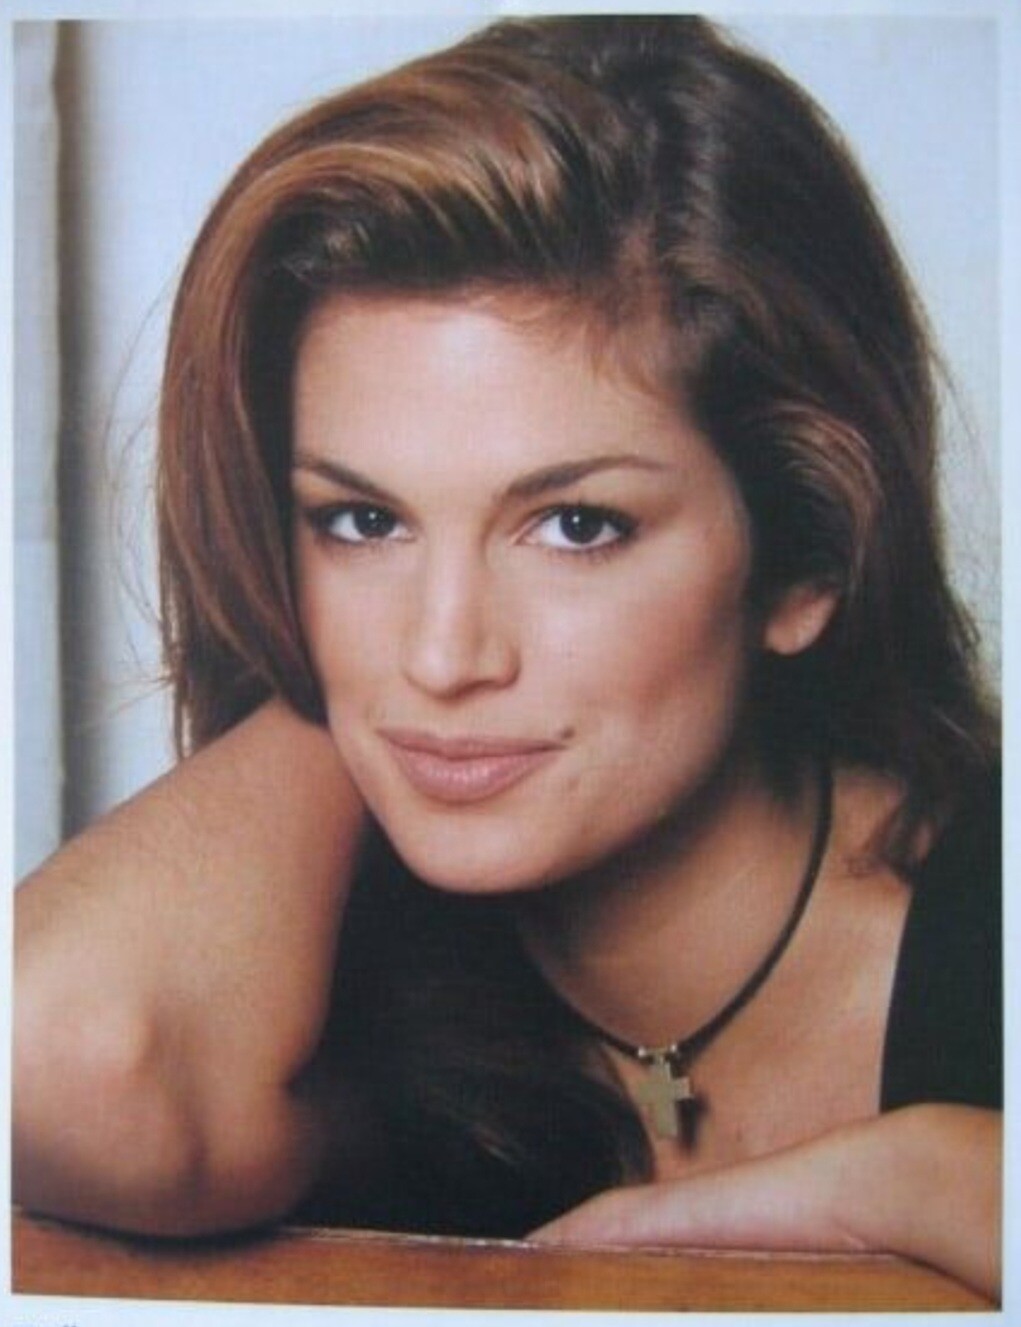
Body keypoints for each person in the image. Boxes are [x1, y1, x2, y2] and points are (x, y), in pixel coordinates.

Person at [13, 15, 1001, 1300]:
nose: (442, 651)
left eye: (576, 526)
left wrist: (923, 1174)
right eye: (360, 520)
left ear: (807, 556)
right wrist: (333, 686)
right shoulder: (329, 1014)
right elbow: (53, 1052)